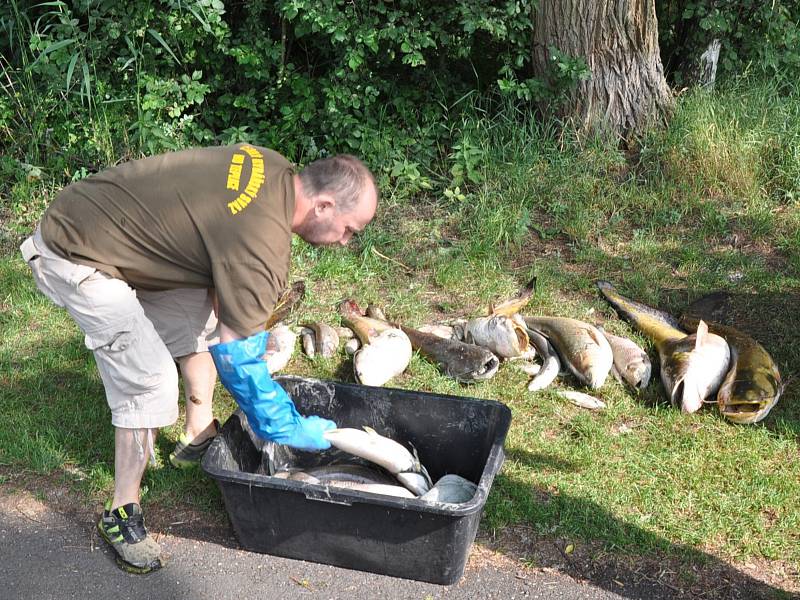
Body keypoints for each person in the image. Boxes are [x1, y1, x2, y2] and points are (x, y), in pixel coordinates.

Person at [19, 144, 378, 574]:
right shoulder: (261, 243)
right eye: (348, 230)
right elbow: (238, 362)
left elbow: (220, 282)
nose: (346, 242)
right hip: (73, 251)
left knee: (206, 314)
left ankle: (197, 432)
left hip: (98, 217)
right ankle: (121, 513)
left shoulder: (277, 169)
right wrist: (286, 425)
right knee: (151, 381)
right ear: (323, 205)